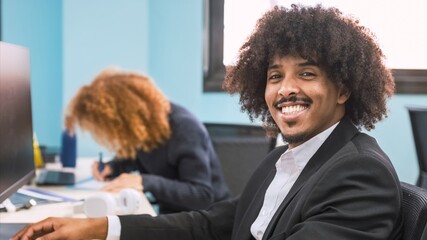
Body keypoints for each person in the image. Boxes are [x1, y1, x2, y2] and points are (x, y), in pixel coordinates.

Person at [12, 4, 403, 240]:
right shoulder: (285, 160)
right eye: (274, 76)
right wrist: (102, 229)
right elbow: (210, 224)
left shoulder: (358, 171)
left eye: (306, 74)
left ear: (344, 89)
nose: (285, 89)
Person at [63, 68, 230, 214]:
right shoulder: (145, 127)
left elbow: (201, 195)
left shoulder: (185, 128)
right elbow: (137, 158)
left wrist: (144, 181)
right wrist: (112, 167)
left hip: (204, 220)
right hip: (172, 214)